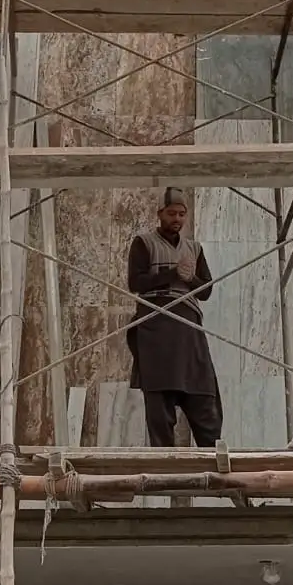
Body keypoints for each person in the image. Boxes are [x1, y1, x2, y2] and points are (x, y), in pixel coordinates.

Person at [124, 187, 222, 447]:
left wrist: (191, 279)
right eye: (171, 213)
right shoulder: (143, 243)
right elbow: (136, 283)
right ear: (160, 214)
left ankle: (212, 458)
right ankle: (164, 462)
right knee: (159, 398)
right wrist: (173, 273)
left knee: (203, 393)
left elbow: (207, 290)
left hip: (188, 328)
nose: (176, 219)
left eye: (181, 214)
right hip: (156, 325)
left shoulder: (194, 248)